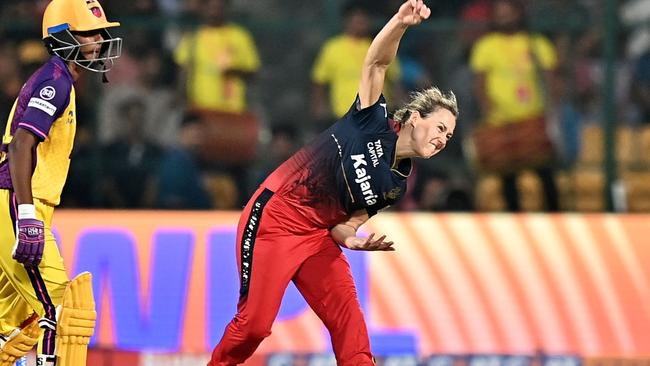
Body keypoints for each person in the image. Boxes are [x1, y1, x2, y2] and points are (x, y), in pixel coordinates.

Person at [208, 1, 457, 365]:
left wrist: (355, 240)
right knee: (254, 327)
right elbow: (377, 63)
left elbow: (347, 223)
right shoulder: (371, 120)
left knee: (349, 321)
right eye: (440, 128)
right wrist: (400, 23)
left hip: (318, 236)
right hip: (275, 219)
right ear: (415, 118)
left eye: (449, 137)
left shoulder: (396, 183)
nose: (442, 139)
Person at [0, 0, 121, 364]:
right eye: (89, 32)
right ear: (63, 36)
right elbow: (22, 144)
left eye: (100, 32)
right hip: (19, 202)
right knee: (67, 311)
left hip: (22, 203)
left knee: (14, 325)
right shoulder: (55, 80)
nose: (99, 40)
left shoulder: (60, 79)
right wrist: (27, 215)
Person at [470, 0, 560, 211]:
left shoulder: (537, 44)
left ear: (519, 14)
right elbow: (479, 84)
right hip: (500, 122)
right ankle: (516, 222)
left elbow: (551, 80)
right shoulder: (486, 46)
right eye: (500, 14)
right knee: (508, 179)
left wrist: (552, 111)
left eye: (508, 13)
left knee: (545, 174)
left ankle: (556, 218)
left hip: (532, 119)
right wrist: (488, 109)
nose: (504, 18)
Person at [311, 2, 401, 123]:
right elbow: (319, 81)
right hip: (345, 114)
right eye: (357, 20)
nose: (361, 23)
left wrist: (400, 105)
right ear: (346, 21)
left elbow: (394, 79)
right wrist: (318, 107)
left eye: (364, 19)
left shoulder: (380, 46)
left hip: (376, 115)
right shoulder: (333, 48)